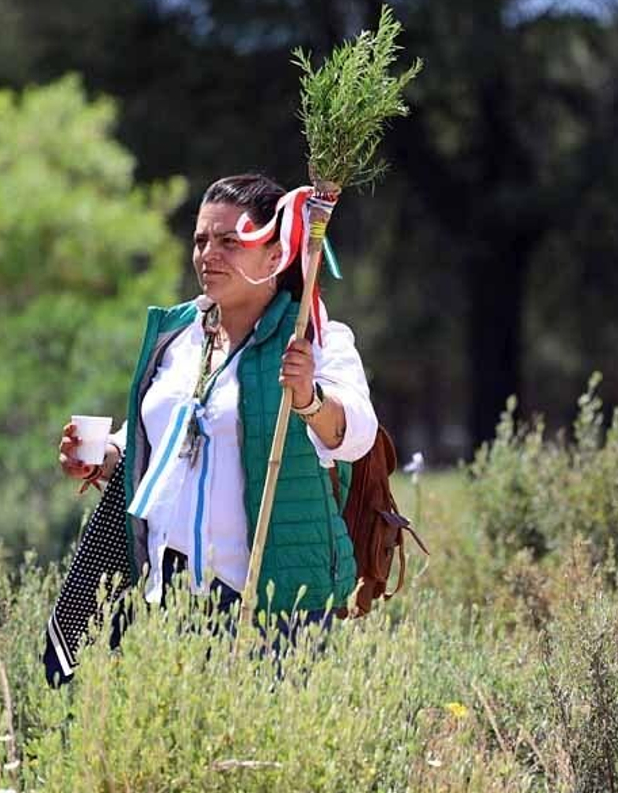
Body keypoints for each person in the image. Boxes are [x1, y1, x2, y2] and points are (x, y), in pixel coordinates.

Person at [45, 174, 379, 684]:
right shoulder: (178, 335)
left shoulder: (313, 339)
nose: (208, 254)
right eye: (201, 240)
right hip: (166, 594)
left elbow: (355, 436)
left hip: (269, 602)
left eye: (229, 241)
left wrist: (308, 397)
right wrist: (106, 456)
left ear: (274, 255)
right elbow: (160, 438)